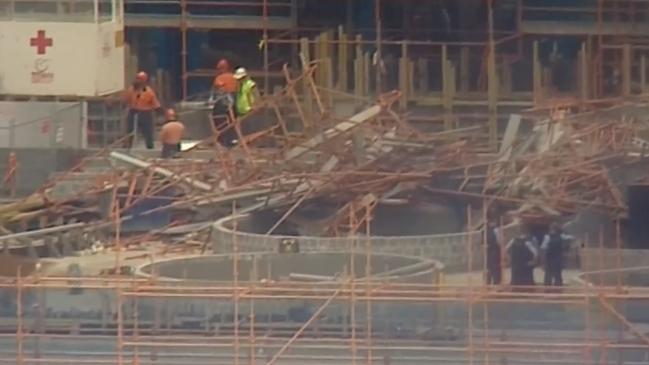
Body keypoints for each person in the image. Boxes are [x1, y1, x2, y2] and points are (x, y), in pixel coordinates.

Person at [123, 71, 161, 149]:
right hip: (133, 112)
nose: (137, 80)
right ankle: (128, 145)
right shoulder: (131, 89)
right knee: (130, 129)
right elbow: (126, 99)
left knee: (148, 131)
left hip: (145, 113)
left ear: (144, 81)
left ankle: (149, 146)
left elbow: (155, 104)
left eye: (139, 79)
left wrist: (159, 112)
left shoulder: (149, 91)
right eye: (137, 78)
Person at [541, 223, 574, 287]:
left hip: (551, 258)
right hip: (556, 258)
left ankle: (549, 289)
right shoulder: (560, 236)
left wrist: (543, 261)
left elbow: (543, 248)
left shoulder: (548, 237)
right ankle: (556, 289)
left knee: (550, 275)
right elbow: (571, 238)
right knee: (556, 275)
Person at [484, 221, 502, 285]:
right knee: (490, 267)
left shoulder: (495, 230)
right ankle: (489, 282)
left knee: (494, 267)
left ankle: (496, 282)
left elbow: (499, 241)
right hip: (490, 251)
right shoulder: (485, 231)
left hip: (495, 250)